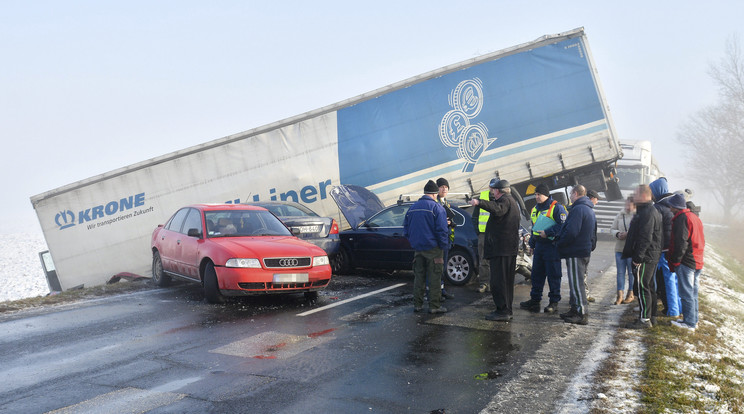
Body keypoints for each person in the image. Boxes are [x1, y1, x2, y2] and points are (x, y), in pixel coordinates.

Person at [468, 178, 521, 321]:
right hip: (507, 249)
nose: (492, 193)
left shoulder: (505, 201)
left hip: (502, 250)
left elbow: (498, 209)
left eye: (493, 190)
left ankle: (503, 311)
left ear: (498, 191)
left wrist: (479, 202)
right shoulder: (511, 201)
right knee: (506, 282)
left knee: (500, 281)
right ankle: (505, 309)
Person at [404, 180, 450, 314]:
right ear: (435, 194)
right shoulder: (437, 208)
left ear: (424, 193)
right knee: (434, 278)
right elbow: (442, 231)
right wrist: (443, 246)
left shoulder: (412, 208)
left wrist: (414, 242)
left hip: (418, 249)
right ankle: (434, 306)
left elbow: (406, 229)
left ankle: (417, 305)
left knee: (419, 278)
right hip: (434, 250)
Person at [519, 183, 566, 313]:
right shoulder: (535, 209)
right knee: (536, 274)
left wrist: (548, 233)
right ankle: (535, 300)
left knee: (553, 275)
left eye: (539, 194)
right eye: (535, 194)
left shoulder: (557, 207)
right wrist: (532, 245)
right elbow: (534, 228)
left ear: (546, 194)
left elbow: (562, 226)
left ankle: (554, 302)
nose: (537, 196)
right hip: (539, 246)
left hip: (552, 246)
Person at [663, 193, 705, 332]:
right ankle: (693, 319)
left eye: (671, 205)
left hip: (687, 262)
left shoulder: (682, 219)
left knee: (686, 293)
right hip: (697, 260)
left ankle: (689, 323)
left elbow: (681, 242)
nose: (669, 207)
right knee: (692, 293)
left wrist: (675, 261)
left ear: (676, 206)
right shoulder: (694, 217)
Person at [622, 184, 663, 329]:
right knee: (649, 286)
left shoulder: (648, 212)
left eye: (636, 194)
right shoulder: (646, 210)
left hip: (646, 257)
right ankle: (651, 316)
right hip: (649, 255)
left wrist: (638, 257)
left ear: (644, 195)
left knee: (642, 287)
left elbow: (645, 237)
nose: (634, 196)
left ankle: (645, 320)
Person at [556, 185, 596, 325]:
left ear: (576, 193)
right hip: (583, 250)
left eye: (571, 193)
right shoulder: (589, 208)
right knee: (577, 282)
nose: (570, 196)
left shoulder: (578, 209)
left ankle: (581, 313)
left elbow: (571, 231)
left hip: (575, 251)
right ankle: (574, 309)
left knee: (577, 284)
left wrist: (560, 243)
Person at [649, 177, 681, 317]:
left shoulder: (657, 207)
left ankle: (672, 311)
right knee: (674, 280)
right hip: (672, 248)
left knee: (666, 281)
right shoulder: (672, 205)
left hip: (662, 250)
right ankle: (676, 308)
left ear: (657, 190)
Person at [611, 196, 636, 305]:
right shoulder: (620, 215)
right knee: (620, 272)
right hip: (620, 248)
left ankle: (630, 294)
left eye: (629, 204)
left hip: (631, 249)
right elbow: (612, 228)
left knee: (631, 273)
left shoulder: (637, 216)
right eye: (626, 204)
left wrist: (628, 235)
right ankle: (619, 295)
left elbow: (639, 232)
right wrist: (617, 234)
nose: (626, 206)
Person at [435, 177, 456, 300]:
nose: (444, 189)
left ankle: (442, 290)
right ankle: (436, 292)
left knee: (443, 266)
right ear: (437, 189)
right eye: (442, 187)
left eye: (446, 187)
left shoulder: (446, 202)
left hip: (446, 238)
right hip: (439, 240)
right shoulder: (435, 202)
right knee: (437, 267)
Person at [471, 185, 493, 293]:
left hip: (495, 235)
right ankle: (484, 283)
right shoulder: (483, 197)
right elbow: (475, 217)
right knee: (483, 260)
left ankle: (493, 283)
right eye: (492, 187)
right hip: (483, 234)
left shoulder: (501, 199)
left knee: (495, 260)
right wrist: (478, 232)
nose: (493, 190)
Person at [584, 189, 602, 303]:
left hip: (586, 247)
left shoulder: (587, 209)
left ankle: (584, 295)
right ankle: (582, 296)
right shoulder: (586, 210)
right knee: (582, 273)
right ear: (591, 198)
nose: (597, 202)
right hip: (583, 248)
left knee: (583, 272)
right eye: (597, 199)